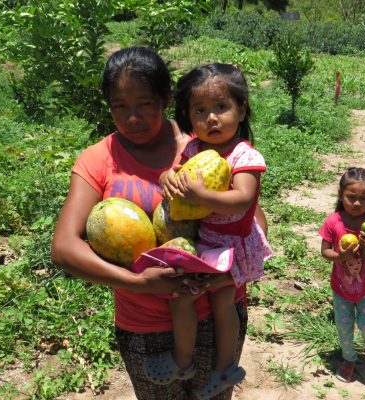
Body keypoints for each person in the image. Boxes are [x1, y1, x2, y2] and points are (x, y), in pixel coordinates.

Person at [51, 47, 266, 400]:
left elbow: (252, 214)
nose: (132, 117)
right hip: (144, 324)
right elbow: (64, 248)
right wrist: (139, 283)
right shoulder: (97, 160)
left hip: (217, 312)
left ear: (166, 99)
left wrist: (233, 271)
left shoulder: (202, 143)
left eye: (145, 103)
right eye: (120, 106)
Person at [153, 63, 272, 399]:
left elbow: (242, 199)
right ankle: (183, 360)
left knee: (223, 304)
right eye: (200, 110)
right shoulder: (193, 148)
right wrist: (167, 178)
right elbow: (176, 173)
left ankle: (224, 369)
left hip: (234, 244)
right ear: (189, 116)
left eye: (221, 107)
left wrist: (202, 196)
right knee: (182, 298)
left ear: (242, 108)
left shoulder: (244, 155)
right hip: (204, 242)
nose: (212, 118)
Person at [318, 167, 365, 383]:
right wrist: (340, 256)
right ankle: (349, 359)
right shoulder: (333, 221)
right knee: (344, 327)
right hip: (341, 289)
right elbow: (325, 251)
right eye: (351, 198)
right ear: (341, 196)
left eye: (363, 198)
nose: (357, 203)